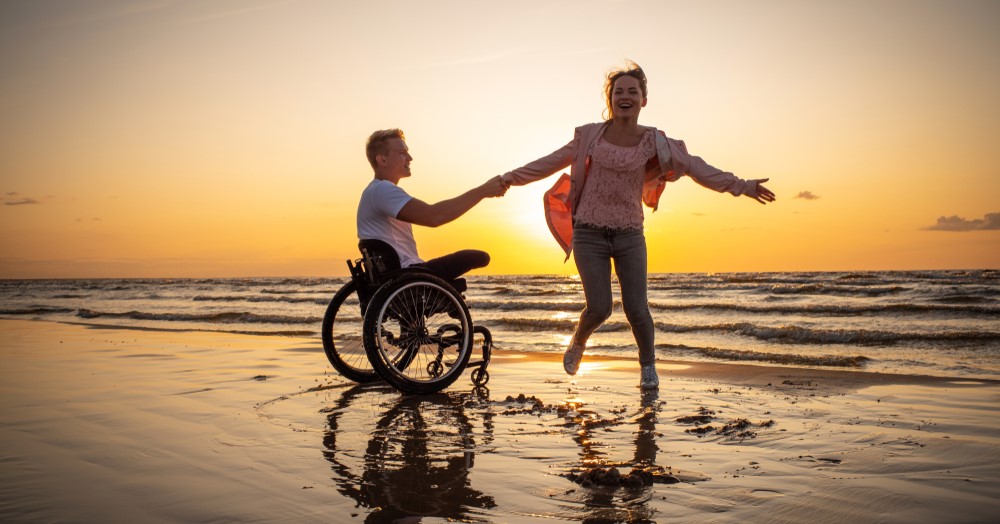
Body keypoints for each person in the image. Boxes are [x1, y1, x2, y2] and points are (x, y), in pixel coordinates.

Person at [500, 61, 775, 389]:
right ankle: (578, 341)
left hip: (630, 234)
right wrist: (509, 179)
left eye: (633, 91)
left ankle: (648, 367)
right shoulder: (590, 137)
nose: (625, 96)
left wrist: (742, 185)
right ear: (610, 100)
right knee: (599, 308)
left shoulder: (655, 142)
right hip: (589, 233)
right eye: (619, 92)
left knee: (637, 309)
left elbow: (697, 167)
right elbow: (548, 162)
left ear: (644, 100)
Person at [358, 128, 507, 281]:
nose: (410, 157)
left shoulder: (375, 192)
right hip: (407, 275)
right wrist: (483, 191)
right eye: (402, 153)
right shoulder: (382, 190)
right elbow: (434, 216)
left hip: (399, 276)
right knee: (480, 257)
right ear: (382, 160)